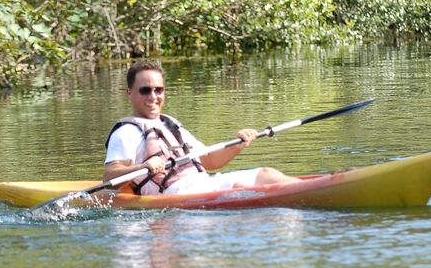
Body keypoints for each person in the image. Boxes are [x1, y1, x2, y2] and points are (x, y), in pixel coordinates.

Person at [103, 60, 300, 195]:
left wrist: (238, 145)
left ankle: (319, 187)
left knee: (267, 174)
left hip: (203, 183)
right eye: (145, 90)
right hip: (175, 192)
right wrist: (143, 167)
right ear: (130, 93)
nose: (153, 97)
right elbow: (109, 176)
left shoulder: (170, 125)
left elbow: (208, 160)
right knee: (240, 188)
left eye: (158, 90)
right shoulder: (126, 132)